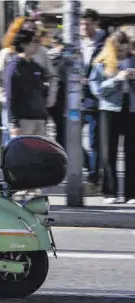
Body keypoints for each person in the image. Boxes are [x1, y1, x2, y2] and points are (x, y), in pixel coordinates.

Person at [0, 17, 59, 144]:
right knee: (16, 147)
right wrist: (8, 99)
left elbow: (52, 76)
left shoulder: (41, 52)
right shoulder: (7, 54)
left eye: (35, 29)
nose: (33, 31)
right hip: (16, 110)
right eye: (28, 29)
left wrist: (49, 98)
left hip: (37, 111)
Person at [89, 30, 135, 204]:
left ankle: (132, 193)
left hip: (131, 109)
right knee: (108, 153)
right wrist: (117, 79)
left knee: (132, 153)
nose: (123, 54)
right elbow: (98, 89)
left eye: (126, 50)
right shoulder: (101, 64)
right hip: (109, 110)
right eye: (120, 51)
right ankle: (110, 192)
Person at [80, 9, 107, 187]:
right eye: (81, 24)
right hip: (78, 100)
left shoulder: (104, 45)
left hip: (96, 99)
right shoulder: (77, 43)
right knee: (68, 138)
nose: (83, 27)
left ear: (95, 23)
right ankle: (87, 164)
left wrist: (92, 80)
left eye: (87, 24)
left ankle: (93, 176)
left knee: (94, 141)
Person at [5, 29, 47, 137]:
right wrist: (14, 123)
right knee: (22, 153)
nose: (38, 45)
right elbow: (11, 96)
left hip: (39, 118)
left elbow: (42, 91)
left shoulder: (36, 66)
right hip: (23, 121)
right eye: (35, 41)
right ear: (24, 44)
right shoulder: (14, 67)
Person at [47, 32, 68, 148]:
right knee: (61, 131)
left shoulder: (47, 56)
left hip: (50, 98)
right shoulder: (64, 60)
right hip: (60, 100)